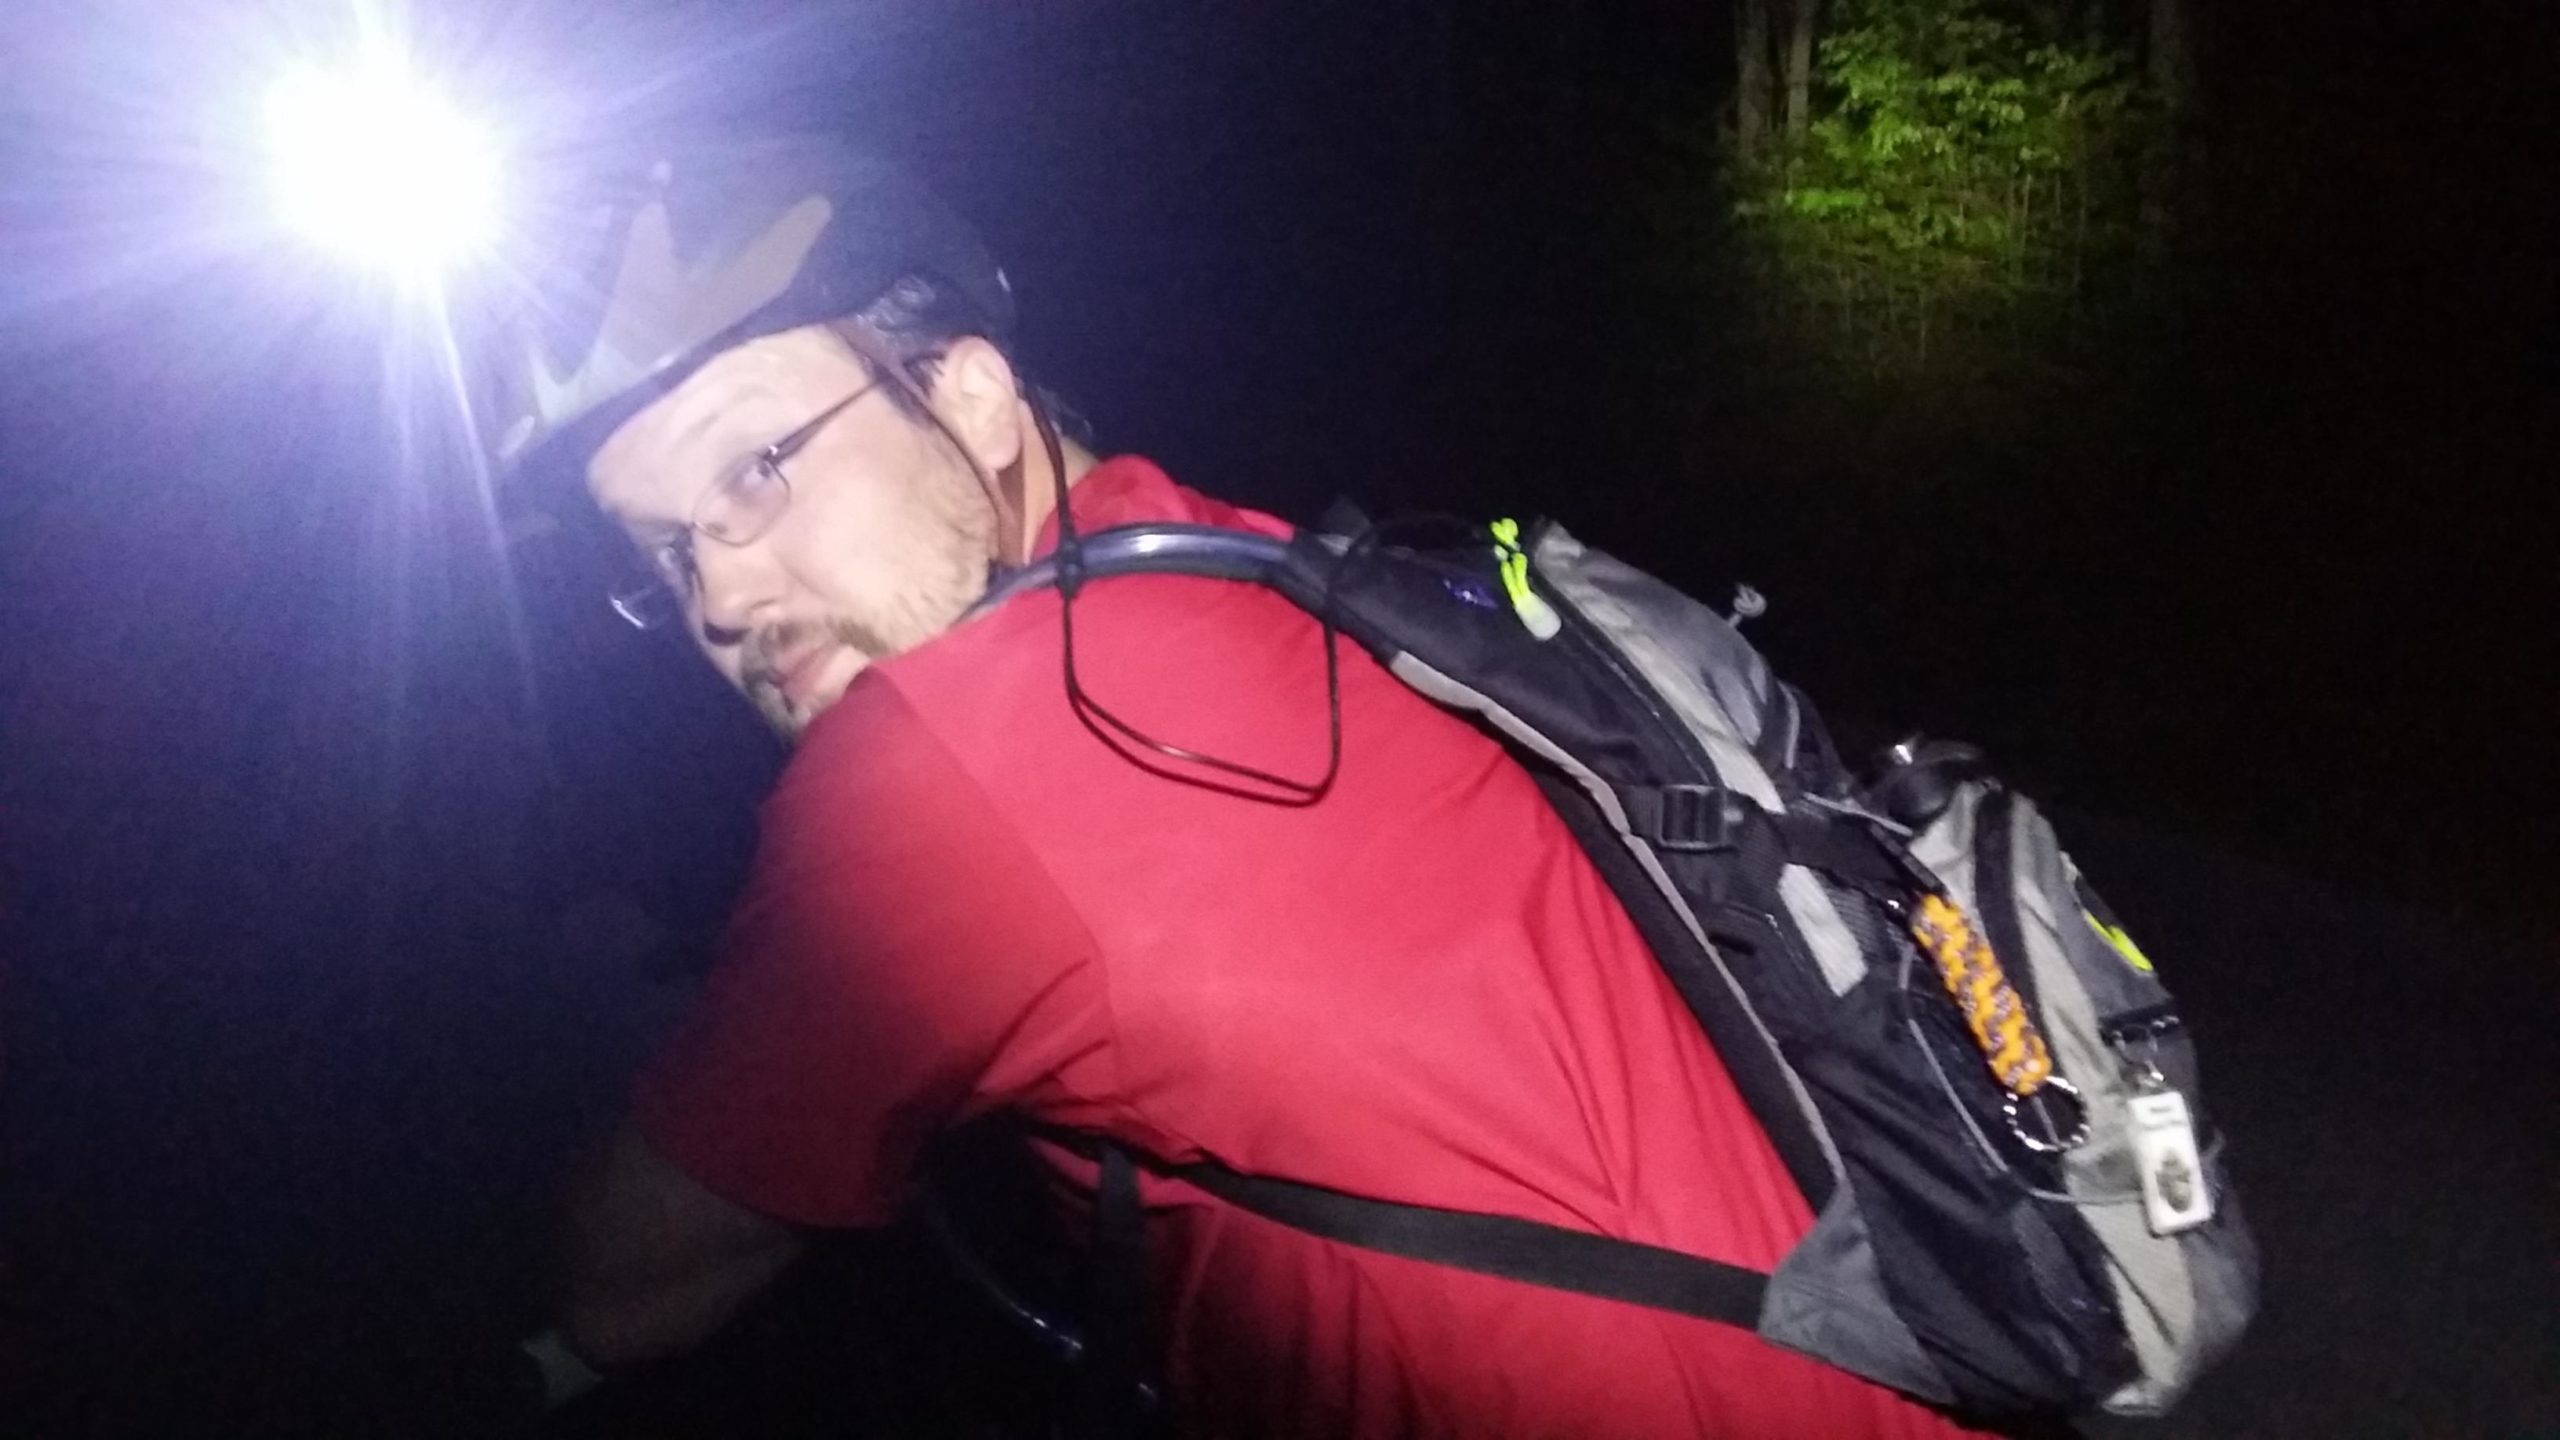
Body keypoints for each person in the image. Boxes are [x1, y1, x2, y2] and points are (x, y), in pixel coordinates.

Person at [500, 145, 1990, 1439]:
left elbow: (627, 1288)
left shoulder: (939, 766)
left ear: (971, 393)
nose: (719, 596)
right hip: (1903, 1356)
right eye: (667, 555)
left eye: (756, 468)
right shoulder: (1243, 560)